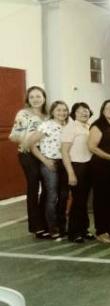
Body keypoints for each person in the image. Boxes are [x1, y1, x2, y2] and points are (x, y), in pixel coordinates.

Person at [9, 86, 48, 237]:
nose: (35, 99)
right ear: (28, 99)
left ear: (44, 97)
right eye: (32, 97)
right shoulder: (23, 114)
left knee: (47, 187)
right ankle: (36, 226)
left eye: (38, 96)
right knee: (33, 186)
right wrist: (26, 141)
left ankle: (46, 222)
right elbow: (13, 136)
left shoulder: (48, 115)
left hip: (45, 154)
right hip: (28, 154)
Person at [27, 101, 70, 241]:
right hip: (50, 163)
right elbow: (31, 144)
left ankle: (63, 227)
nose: (62, 113)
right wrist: (45, 160)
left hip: (65, 164)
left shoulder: (68, 125)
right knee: (52, 197)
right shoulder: (47, 125)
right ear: (52, 112)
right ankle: (52, 229)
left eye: (64, 110)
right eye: (58, 110)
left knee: (64, 196)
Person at [88, 100, 110, 243]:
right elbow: (92, 147)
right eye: (108, 108)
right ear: (103, 111)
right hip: (101, 167)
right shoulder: (97, 125)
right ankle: (101, 231)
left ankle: (109, 228)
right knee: (102, 200)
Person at [61, 102, 93, 243]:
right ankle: (74, 233)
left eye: (86, 110)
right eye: (79, 111)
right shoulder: (71, 127)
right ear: (74, 113)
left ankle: (83, 230)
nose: (84, 113)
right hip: (76, 167)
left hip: (88, 166)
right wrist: (71, 173)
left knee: (83, 201)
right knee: (78, 201)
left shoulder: (88, 127)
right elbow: (64, 151)